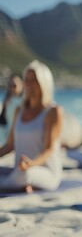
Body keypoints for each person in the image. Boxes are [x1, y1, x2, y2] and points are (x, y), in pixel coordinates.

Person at [0, 60, 63, 193]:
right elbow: (10, 145)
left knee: (25, 174)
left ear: (43, 83)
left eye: (33, 79)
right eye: (26, 79)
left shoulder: (52, 111)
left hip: (45, 171)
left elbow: (49, 149)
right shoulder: (19, 110)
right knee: (20, 173)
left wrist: (31, 164)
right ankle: (23, 186)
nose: (28, 83)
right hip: (19, 170)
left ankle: (20, 184)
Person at [0, 74, 24, 144]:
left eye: (14, 86)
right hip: (9, 137)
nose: (12, 89)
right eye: (10, 86)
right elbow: (3, 121)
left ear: (22, 85)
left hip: (20, 137)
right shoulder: (8, 100)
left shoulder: (25, 102)